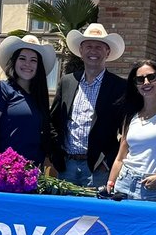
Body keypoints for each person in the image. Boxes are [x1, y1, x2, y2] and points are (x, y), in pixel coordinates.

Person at [49, 22, 126, 189]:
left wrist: (108, 161)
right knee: (67, 213)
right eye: (89, 46)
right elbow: (53, 122)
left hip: (98, 169)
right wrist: (56, 155)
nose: (93, 51)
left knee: (95, 214)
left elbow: (127, 131)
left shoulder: (119, 87)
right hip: (67, 166)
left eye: (99, 47)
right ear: (81, 52)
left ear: (107, 52)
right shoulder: (67, 81)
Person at [106, 62, 156, 201]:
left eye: (151, 77)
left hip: (153, 186)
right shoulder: (131, 115)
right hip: (124, 181)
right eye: (140, 79)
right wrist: (111, 182)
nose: (146, 82)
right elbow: (121, 157)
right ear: (135, 85)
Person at [0, 34, 55, 166]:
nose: (27, 64)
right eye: (22, 58)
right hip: (5, 169)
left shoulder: (39, 97)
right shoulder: (1, 89)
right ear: (14, 61)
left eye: (33, 60)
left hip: (33, 172)